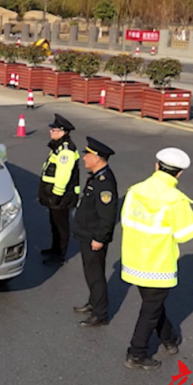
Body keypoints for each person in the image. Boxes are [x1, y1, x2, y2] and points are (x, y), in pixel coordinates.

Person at [120, 148, 193, 370]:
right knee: (150, 309)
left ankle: (170, 339)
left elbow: (126, 220)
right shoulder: (176, 200)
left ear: (156, 166)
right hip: (158, 264)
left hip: (133, 261)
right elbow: (187, 234)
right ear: (179, 174)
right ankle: (136, 353)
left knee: (153, 305)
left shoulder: (135, 191)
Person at [71, 137, 118, 328]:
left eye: (87, 155)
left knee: (95, 275)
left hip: (93, 237)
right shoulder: (97, 176)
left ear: (97, 158)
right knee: (90, 273)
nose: (84, 158)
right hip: (86, 234)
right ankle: (93, 302)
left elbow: (107, 216)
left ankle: (100, 314)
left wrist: (99, 238)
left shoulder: (104, 182)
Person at [38, 114, 80, 264]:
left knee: (61, 225)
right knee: (54, 223)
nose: (51, 131)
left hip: (61, 195)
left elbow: (63, 175)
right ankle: (55, 249)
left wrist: (57, 194)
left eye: (54, 130)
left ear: (63, 132)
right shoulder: (59, 146)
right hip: (54, 194)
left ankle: (60, 255)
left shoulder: (66, 151)